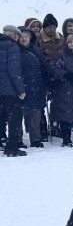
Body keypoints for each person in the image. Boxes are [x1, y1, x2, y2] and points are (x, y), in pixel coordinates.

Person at [1, 24, 25, 156]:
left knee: (1, 118)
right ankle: (12, 147)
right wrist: (20, 90)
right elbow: (13, 70)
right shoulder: (12, 47)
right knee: (14, 118)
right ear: (14, 35)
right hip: (9, 90)